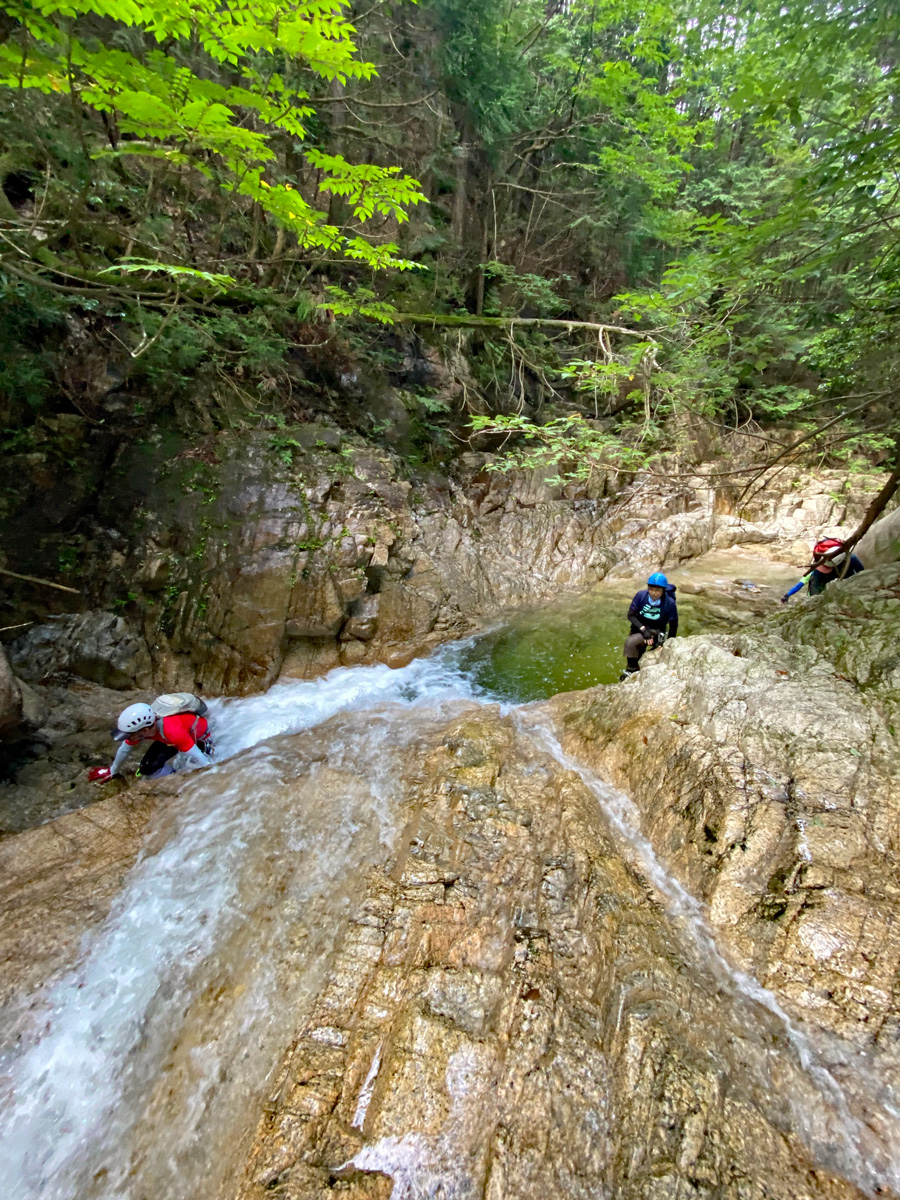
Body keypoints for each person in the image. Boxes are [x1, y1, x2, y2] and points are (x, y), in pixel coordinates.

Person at [90, 694, 214, 782]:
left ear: (144, 730)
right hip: (172, 739)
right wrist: (112, 770)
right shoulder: (143, 730)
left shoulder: (173, 731)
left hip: (198, 737)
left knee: (200, 760)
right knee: (147, 768)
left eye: (130, 735)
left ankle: (182, 782)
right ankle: (176, 779)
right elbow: (125, 749)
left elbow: (204, 761)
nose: (128, 738)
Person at [620, 572, 678, 680]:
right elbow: (631, 615)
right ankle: (631, 669)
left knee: (633, 643)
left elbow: (673, 625)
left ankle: (635, 668)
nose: (654, 593)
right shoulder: (641, 596)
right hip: (639, 627)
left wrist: (669, 643)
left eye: (657, 590)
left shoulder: (669, 603)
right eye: (651, 589)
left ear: (663, 590)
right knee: (633, 645)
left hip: (657, 630)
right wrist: (644, 630)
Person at [780, 538, 865, 604]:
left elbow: (862, 575)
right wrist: (787, 595)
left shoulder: (851, 560)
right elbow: (800, 586)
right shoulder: (815, 573)